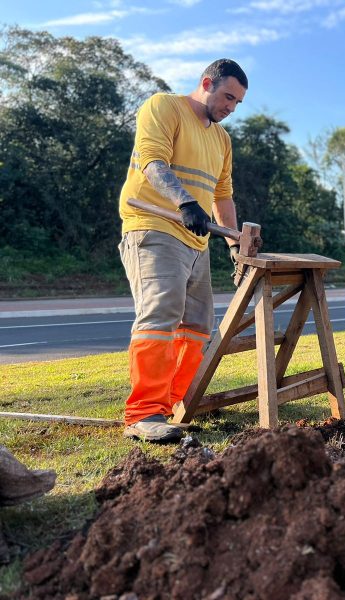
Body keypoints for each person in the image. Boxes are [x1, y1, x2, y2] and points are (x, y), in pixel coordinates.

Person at [117, 59, 248, 443]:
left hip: (196, 241)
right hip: (154, 226)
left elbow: (222, 196)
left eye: (238, 102)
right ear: (206, 83)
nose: (231, 107)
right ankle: (144, 413)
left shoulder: (222, 139)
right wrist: (185, 202)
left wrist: (235, 244)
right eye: (228, 97)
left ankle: (177, 404)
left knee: (197, 326)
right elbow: (153, 163)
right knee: (161, 315)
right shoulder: (164, 107)